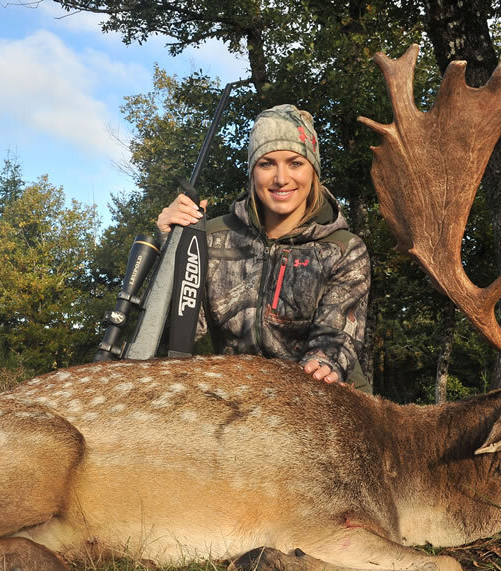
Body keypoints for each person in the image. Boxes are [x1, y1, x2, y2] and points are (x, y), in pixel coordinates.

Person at [157, 104, 372, 392]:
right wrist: (173, 247)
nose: (281, 178)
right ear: (252, 172)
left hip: (323, 401)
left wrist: (323, 364)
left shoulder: (344, 249)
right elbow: (180, 334)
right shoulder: (211, 238)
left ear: (313, 171)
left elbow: (332, 343)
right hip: (237, 398)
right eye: (266, 163)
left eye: (295, 163)